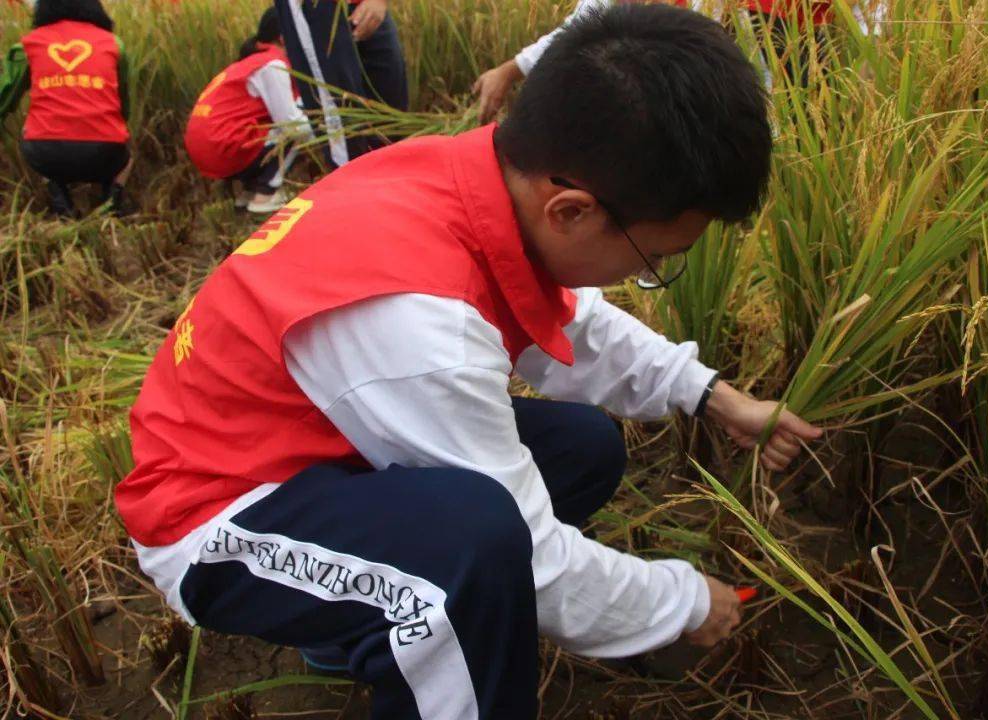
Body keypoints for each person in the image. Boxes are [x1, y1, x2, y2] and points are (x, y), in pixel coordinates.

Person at [117, 5, 821, 718]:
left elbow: (577, 322)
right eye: (654, 260)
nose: (647, 274)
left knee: (583, 446)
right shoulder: (421, 324)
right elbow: (537, 563)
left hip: (322, 448)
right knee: (475, 549)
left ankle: (355, 627)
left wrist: (714, 396)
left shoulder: (465, 176)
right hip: (219, 516)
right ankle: (395, 632)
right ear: (571, 210)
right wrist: (681, 603)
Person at [473, 0, 888, 120]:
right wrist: (510, 71)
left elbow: (876, 25)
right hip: (676, 124)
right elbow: (587, 21)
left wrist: (863, 93)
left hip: (790, 133)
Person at [0, 0, 132, 217]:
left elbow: (4, 100)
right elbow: (123, 105)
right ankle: (111, 201)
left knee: (34, 130)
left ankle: (60, 200)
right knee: (125, 146)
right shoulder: (113, 44)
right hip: (106, 152)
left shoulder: (29, 44)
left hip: (46, 153)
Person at [184, 7, 313, 215]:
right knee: (302, 126)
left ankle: (247, 195)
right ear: (284, 37)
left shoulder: (249, 62)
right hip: (222, 146)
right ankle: (266, 194)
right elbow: (292, 124)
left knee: (274, 124)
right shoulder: (273, 65)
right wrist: (328, 124)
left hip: (206, 147)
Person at [273, 0, 407, 169]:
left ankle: (391, 187)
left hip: (363, 5)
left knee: (392, 116)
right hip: (315, 7)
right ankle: (356, 190)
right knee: (344, 127)